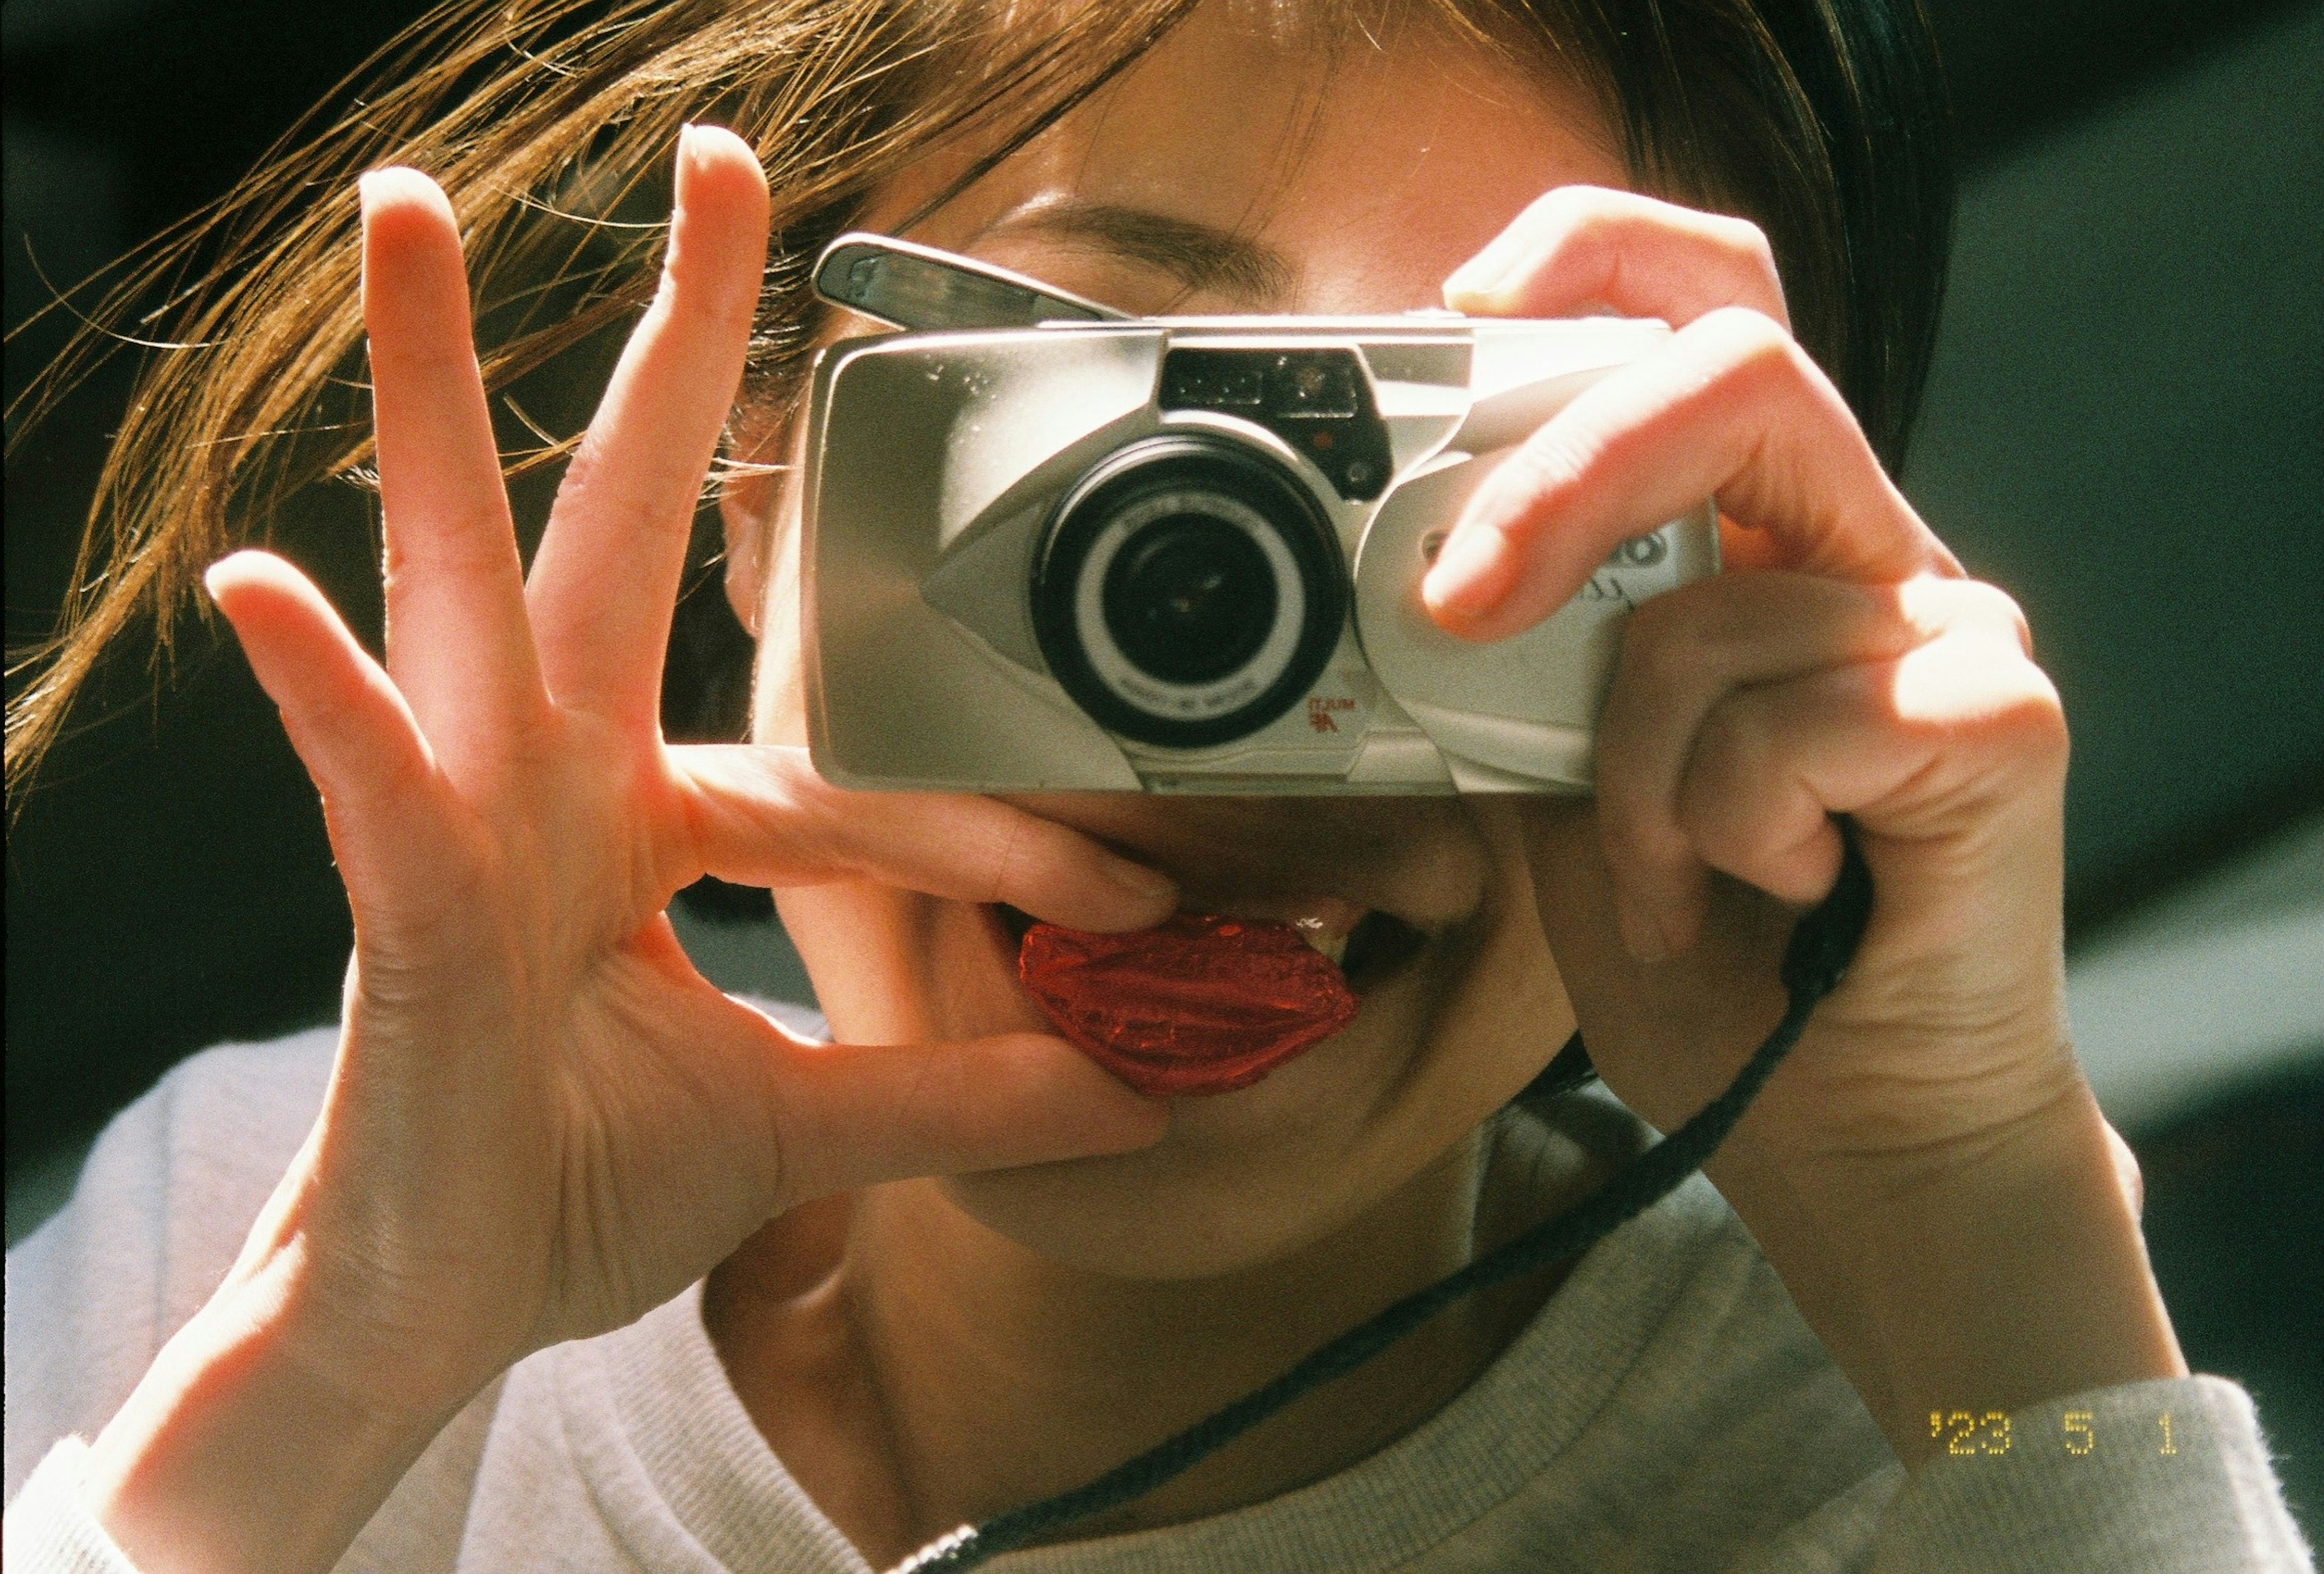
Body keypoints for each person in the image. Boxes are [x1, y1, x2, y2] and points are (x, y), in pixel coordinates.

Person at [4, 1, 2313, 1570]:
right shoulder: (248, 1243)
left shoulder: (1949, 1455)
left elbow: (2027, 1454)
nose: (1222, 700)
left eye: (1474, 491)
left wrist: (1997, 1267)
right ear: (757, 477)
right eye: (1104, 438)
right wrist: (328, 1383)